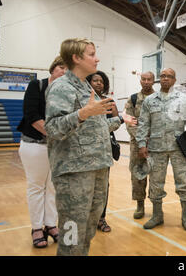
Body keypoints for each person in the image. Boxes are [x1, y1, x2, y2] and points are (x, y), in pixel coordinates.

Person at [45, 38, 136, 256]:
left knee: (87, 232)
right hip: (74, 172)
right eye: (92, 54)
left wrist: (121, 119)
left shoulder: (86, 86)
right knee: (72, 234)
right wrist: (83, 113)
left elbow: (97, 128)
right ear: (76, 58)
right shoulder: (62, 87)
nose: (97, 59)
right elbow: (53, 128)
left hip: (97, 168)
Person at [136, 68, 186, 231]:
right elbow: (143, 123)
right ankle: (157, 215)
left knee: (184, 182)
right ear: (159, 79)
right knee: (156, 183)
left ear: (174, 80)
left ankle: (185, 216)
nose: (165, 79)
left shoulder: (183, 99)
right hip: (157, 148)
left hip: (179, 148)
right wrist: (141, 144)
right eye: (163, 76)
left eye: (169, 76)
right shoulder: (150, 100)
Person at [17, 56, 66, 248]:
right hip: (34, 145)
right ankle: (37, 228)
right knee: (36, 187)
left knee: (53, 187)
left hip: (57, 147)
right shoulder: (36, 86)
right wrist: (54, 134)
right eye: (61, 67)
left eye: (68, 69)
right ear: (53, 68)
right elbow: (32, 116)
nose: (64, 71)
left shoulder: (66, 93)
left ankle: (51, 225)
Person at [86, 70, 118, 233]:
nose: (98, 83)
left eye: (101, 81)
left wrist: (112, 107)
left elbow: (116, 121)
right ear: (88, 83)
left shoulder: (108, 101)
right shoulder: (85, 101)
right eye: (95, 80)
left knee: (103, 186)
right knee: (86, 186)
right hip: (85, 150)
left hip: (104, 150)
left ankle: (101, 218)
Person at [124, 71, 155, 219]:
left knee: (156, 176)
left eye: (149, 79)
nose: (146, 82)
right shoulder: (133, 99)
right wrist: (142, 141)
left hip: (156, 144)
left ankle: (156, 205)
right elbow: (130, 122)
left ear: (153, 81)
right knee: (138, 175)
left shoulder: (160, 98)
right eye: (144, 79)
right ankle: (140, 205)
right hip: (137, 144)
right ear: (140, 81)